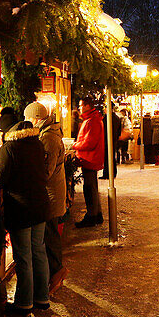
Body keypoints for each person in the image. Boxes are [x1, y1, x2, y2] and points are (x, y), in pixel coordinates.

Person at [0, 109, 51, 316]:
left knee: (24, 256)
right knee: (39, 252)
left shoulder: (9, 148)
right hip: (40, 205)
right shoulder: (36, 143)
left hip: (21, 209)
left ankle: (24, 303)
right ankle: (42, 298)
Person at [25, 102, 67, 294]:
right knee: (49, 234)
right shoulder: (48, 134)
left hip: (51, 195)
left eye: (28, 119)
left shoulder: (48, 137)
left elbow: (46, 171)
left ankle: (56, 273)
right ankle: (55, 273)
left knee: (50, 236)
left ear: (36, 118)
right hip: (52, 193)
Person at [72, 98, 105, 228]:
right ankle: (96, 214)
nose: (79, 108)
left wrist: (74, 145)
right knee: (92, 188)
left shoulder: (92, 121)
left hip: (90, 158)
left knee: (90, 188)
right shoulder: (91, 119)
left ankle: (92, 216)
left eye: (81, 105)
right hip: (89, 158)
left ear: (87, 106)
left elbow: (89, 143)